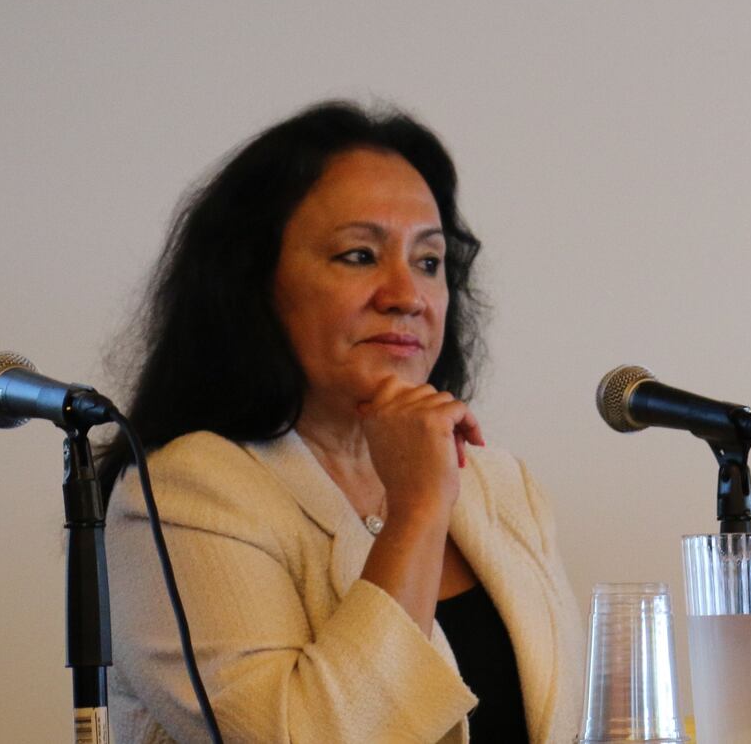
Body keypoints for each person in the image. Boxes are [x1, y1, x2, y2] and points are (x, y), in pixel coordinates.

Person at [99, 102, 583, 743]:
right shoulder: (183, 496)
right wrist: (416, 511)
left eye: (429, 261)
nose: (406, 295)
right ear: (253, 284)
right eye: (359, 255)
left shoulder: (500, 487)